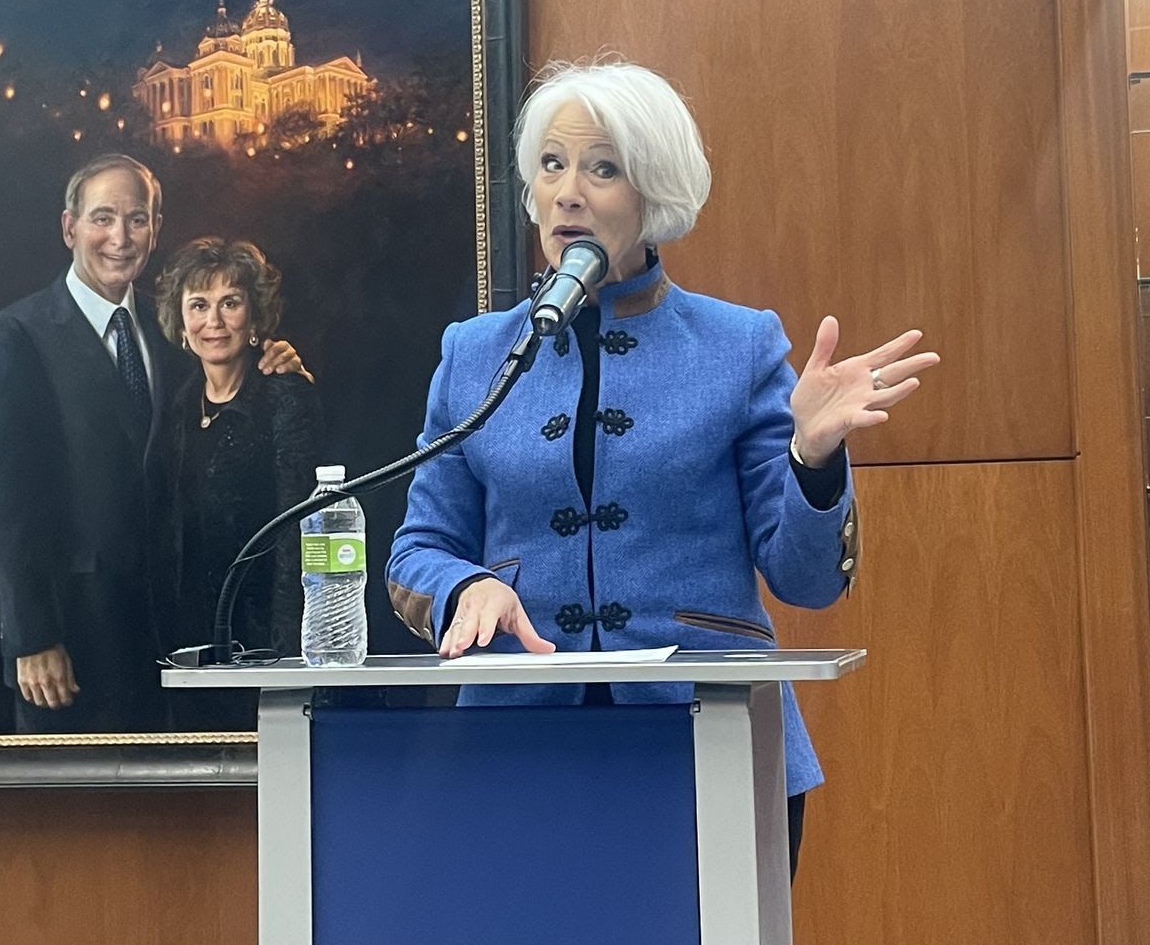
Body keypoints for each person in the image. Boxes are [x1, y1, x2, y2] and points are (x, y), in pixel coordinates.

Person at [386, 60, 938, 877]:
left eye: (602, 168)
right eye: (552, 164)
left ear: (654, 195)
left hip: (708, 739)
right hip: (519, 747)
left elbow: (807, 580)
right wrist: (465, 589)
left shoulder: (738, 346)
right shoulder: (473, 356)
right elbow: (416, 555)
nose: (569, 191)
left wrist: (813, 459)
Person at [0, 154, 304, 734]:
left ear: (155, 229)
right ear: (69, 227)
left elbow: (225, 396)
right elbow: (10, 503)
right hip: (70, 640)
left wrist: (273, 359)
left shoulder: (175, 325)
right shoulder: (19, 334)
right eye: (103, 218)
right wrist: (31, 638)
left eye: (137, 219)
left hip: (170, 636)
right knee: (79, 818)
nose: (120, 238)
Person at [145, 238, 323, 729]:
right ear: (182, 324)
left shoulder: (285, 395)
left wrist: (288, 661)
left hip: (265, 638)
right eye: (199, 306)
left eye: (230, 303)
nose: (214, 321)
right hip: (191, 640)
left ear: (255, 317)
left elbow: (298, 533)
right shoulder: (177, 406)